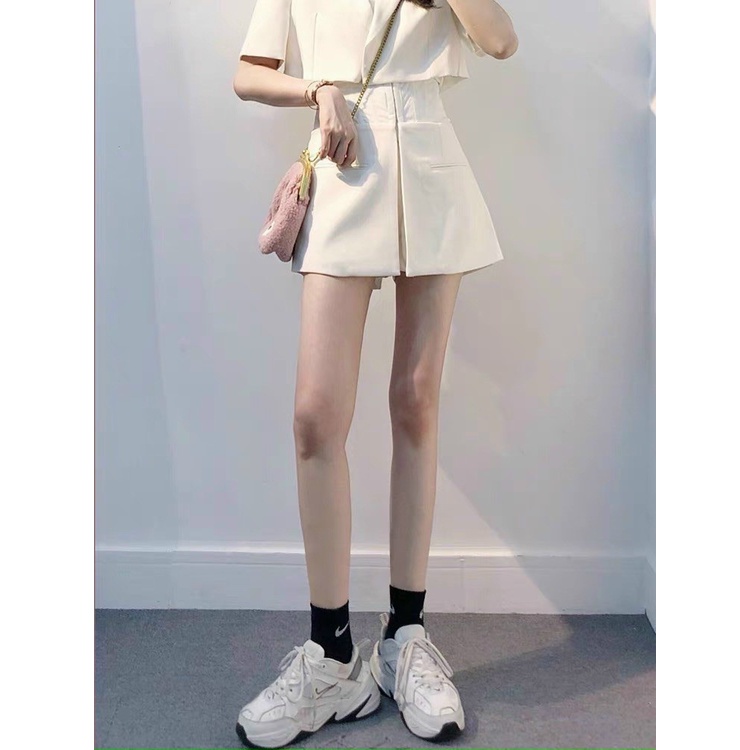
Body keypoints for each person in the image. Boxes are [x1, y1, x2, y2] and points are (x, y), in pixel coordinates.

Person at [232, 0, 518, 746]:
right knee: (315, 417)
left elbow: (499, 40)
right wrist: (317, 90)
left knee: (416, 402)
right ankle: (331, 658)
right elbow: (248, 72)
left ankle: (406, 638)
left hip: (430, 163)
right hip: (344, 162)